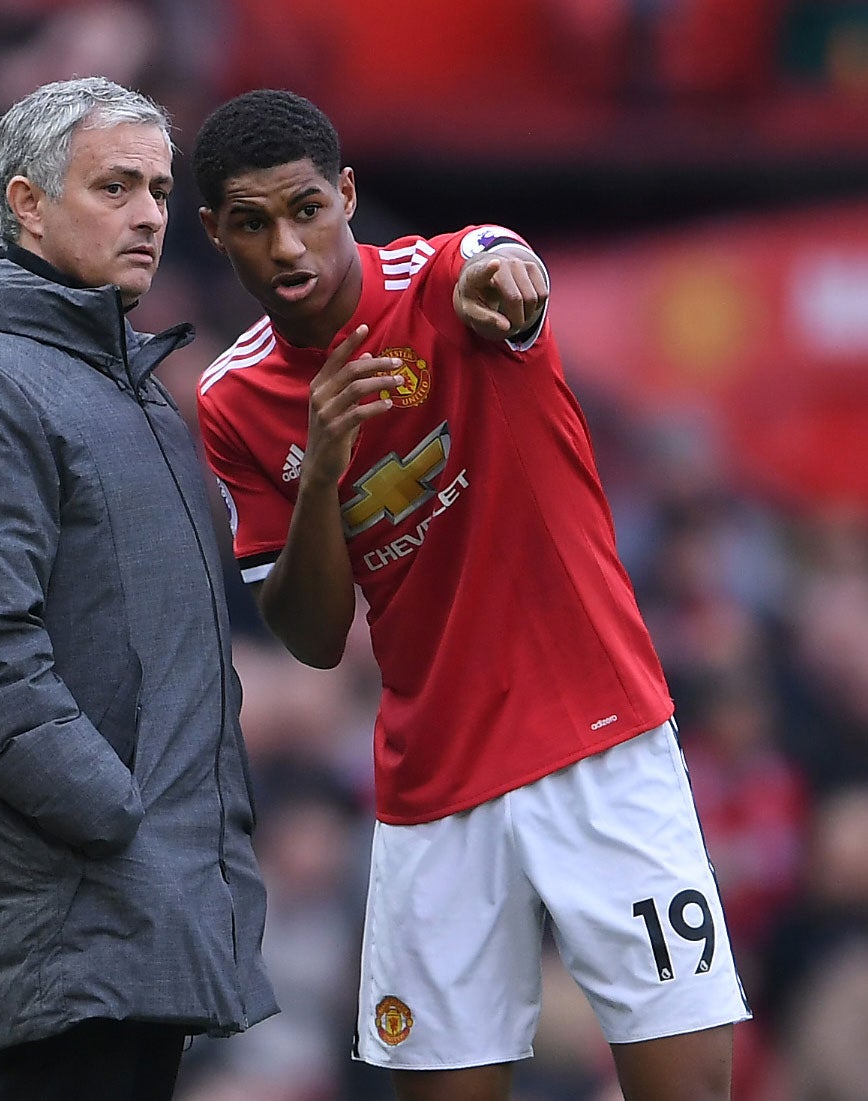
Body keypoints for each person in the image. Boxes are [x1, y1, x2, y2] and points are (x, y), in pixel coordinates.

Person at [191, 89, 750, 1101]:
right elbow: (312, 639)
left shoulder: (443, 276)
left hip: (598, 740)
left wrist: (513, 287)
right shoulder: (233, 402)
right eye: (250, 223)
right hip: (433, 786)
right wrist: (319, 470)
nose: (286, 245)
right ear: (212, 234)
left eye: (306, 208)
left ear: (348, 195)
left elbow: (502, 269)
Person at [0, 76, 278, 1101]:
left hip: (147, 895)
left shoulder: (118, 378)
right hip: (80, 896)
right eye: (113, 186)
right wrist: (119, 816)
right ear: (25, 203)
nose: (149, 213)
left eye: (156, 187)